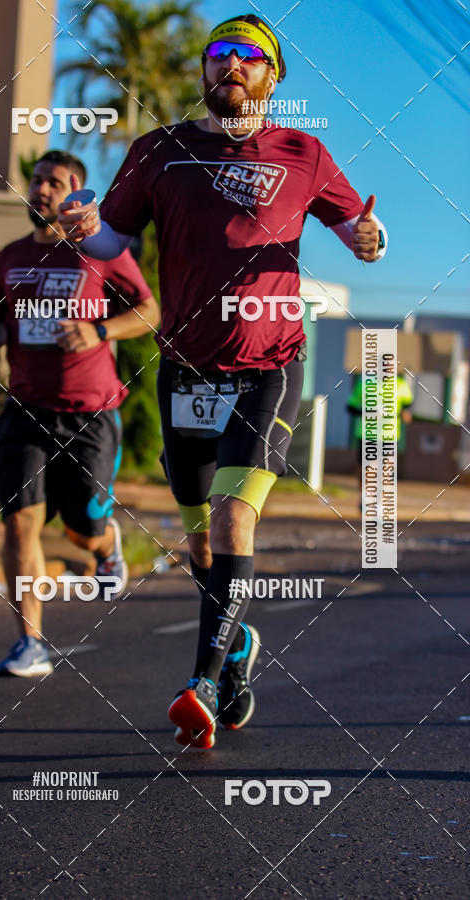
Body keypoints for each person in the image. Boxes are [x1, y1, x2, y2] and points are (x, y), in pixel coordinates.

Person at [58, 14, 388, 748]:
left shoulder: (304, 152)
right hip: (185, 368)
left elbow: (355, 231)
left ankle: (203, 679)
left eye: (248, 56)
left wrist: (372, 239)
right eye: (218, 54)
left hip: (270, 366)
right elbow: (115, 237)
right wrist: (87, 233)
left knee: (235, 518)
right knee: (201, 542)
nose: (230, 66)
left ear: (273, 77)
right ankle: (237, 652)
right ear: (204, 72)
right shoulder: (159, 152)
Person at [0, 150, 159, 677]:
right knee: (20, 526)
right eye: (35, 181)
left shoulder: (99, 251)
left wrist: (99, 330)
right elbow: (2, 321)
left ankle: (104, 546)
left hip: (89, 414)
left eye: (53, 183)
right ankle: (30, 642)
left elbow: (150, 310)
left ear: (76, 191)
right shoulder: (10, 256)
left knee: (81, 524)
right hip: (26, 408)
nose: (41, 190)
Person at [347, 372, 413, 505]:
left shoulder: (400, 385)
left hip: (389, 434)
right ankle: (364, 496)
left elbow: (407, 406)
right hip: (367, 433)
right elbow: (350, 407)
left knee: (386, 468)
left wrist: (405, 414)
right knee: (366, 469)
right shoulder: (365, 384)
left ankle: (379, 501)